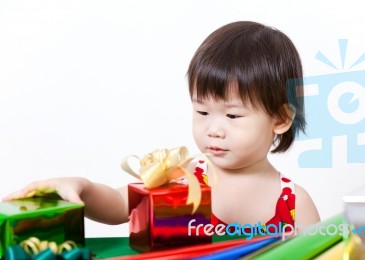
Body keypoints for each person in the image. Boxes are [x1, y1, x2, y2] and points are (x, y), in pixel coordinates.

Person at [3, 21, 320, 233]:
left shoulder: (294, 204)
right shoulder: (181, 178)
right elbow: (118, 205)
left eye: (233, 116)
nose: (213, 129)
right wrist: (81, 187)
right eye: (202, 111)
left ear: (280, 119)